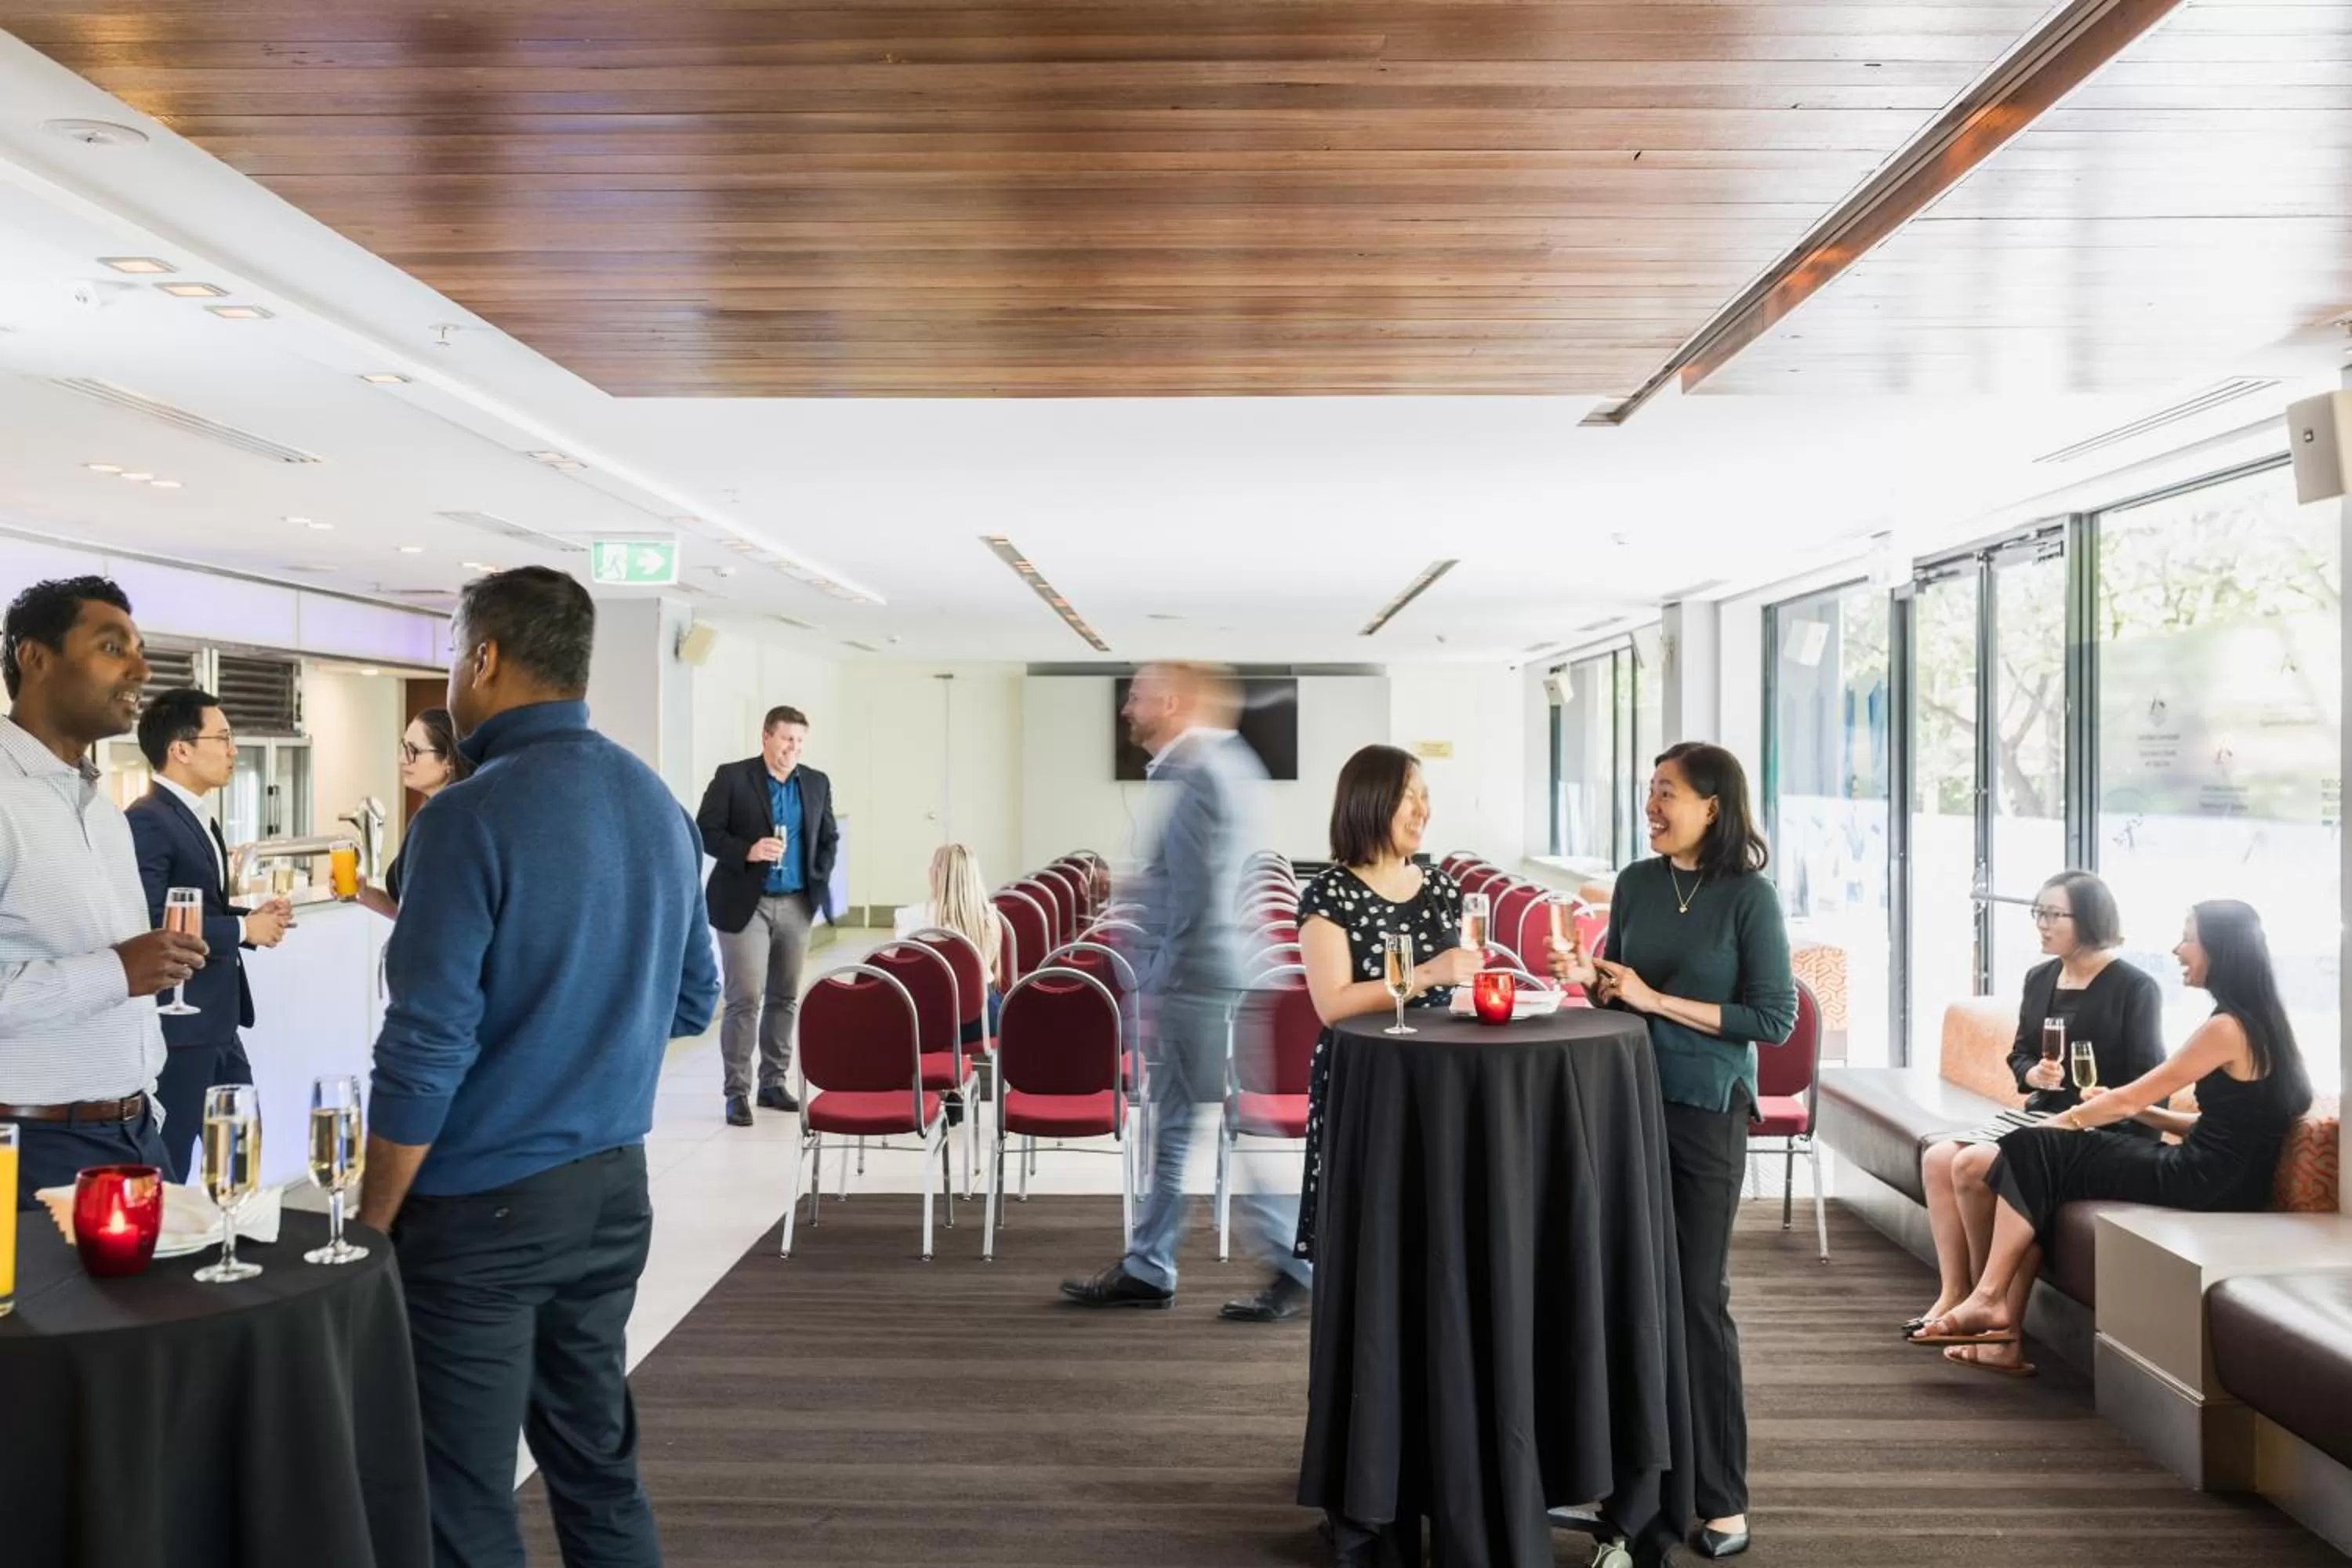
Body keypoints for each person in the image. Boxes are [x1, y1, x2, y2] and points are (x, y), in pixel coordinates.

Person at [358, 566, 719, 1568]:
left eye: (452, 652)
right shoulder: (654, 800)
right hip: (612, 1191)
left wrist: (371, 1222)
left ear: (484, 658)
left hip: (482, 1212)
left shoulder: (467, 817)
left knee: (460, 1493)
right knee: (596, 1463)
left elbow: (425, 1046)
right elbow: (695, 998)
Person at [1552, 741, 1795, 1562]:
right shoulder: (1636, 882)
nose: (1651, 806)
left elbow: (1772, 1019)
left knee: (1696, 1300)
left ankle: (1723, 1495)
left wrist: (1655, 997)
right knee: (1624, 1294)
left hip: (1705, 1113)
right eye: (1648, 791)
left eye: (1667, 793)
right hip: (1625, 1106)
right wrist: (1587, 973)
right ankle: (1637, 1483)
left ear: (1713, 805)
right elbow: (1615, 987)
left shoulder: (1749, 897)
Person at [1913, 901, 2313, 1373]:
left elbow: (2126, 1100)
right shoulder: (2263, 1023)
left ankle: (1990, 1300)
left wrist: (2059, 1123)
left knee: (2031, 1147)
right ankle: (1999, 1332)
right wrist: (2141, 1115)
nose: (2177, 949)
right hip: (2224, 1177)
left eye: (2188, 937)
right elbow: (2224, 1129)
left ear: (2220, 949)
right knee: (2029, 1161)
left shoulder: (2225, 1028)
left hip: (2204, 1181)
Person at [1061, 662, 1307, 1317]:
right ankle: (1159, 1262)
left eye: (1136, 696)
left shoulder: (1202, 777)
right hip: (1209, 977)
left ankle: (1282, 1259)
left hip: (1198, 980)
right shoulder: (1217, 767)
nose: (1126, 710)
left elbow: (1198, 901)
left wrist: (1158, 975)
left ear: (1172, 701)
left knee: (1200, 1127)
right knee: (1194, 1127)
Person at [0, 576, 203, 1205]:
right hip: (32, 1150)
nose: (141, 669)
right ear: (35, 657)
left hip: (136, 1137)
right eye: (114, 648)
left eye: (140, 649)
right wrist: (116, 971)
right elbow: (116, 974)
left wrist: (146, 1116)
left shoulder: (105, 812)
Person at [1908, 869, 2164, 1366]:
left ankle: (1994, 1308)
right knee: (1939, 1157)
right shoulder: (2040, 977)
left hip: (2096, 1126)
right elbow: (2020, 1056)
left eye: (2053, 915)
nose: (2042, 925)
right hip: (2041, 1113)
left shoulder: (2135, 988)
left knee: (1972, 1165)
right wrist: (2035, 1075)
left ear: (2087, 918)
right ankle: (1957, 1292)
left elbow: (2148, 1082)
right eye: (2038, 913)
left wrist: (2105, 1105)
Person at [1289, 743, 1482, 1269]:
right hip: (1369, 1075)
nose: (1424, 810)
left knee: (1441, 1225)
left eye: (1426, 797)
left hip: (1443, 1072)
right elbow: (1333, 1006)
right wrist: (1427, 974)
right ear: (1371, 802)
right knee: (1373, 1230)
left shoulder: (1441, 886)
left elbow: (1457, 984)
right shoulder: (1329, 894)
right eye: (1409, 797)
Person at [125, 687, 293, 1182]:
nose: (233, 750)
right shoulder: (147, 819)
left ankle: (232, 1245)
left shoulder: (198, 816)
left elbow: (200, 907)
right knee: (171, 1165)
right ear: (181, 749)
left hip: (219, 1021)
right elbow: (154, 919)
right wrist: (243, 928)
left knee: (240, 1154)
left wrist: (250, 915)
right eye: (222, 738)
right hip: (180, 1024)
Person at [697, 705, 840, 1126]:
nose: (792, 749)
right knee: (745, 999)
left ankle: (772, 1083)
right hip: (746, 902)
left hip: (797, 903)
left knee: (785, 997)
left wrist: (818, 877)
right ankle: (736, 1092)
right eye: (786, 740)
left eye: (799, 742)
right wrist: (748, 850)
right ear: (766, 737)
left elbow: (829, 836)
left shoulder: (815, 783)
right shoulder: (732, 777)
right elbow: (705, 830)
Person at [354, 706, 474, 919]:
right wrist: (363, 893)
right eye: (403, 747)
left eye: (414, 751)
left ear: (448, 759)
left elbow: (442, 919)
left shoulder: (452, 824)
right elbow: (408, 913)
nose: (403, 759)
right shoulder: (429, 818)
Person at [916, 843, 1004, 1044]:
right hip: (981, 1020)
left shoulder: (912, 920)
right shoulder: (990, 918)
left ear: (938, 874)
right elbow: (992, 973)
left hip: (928, 1023)